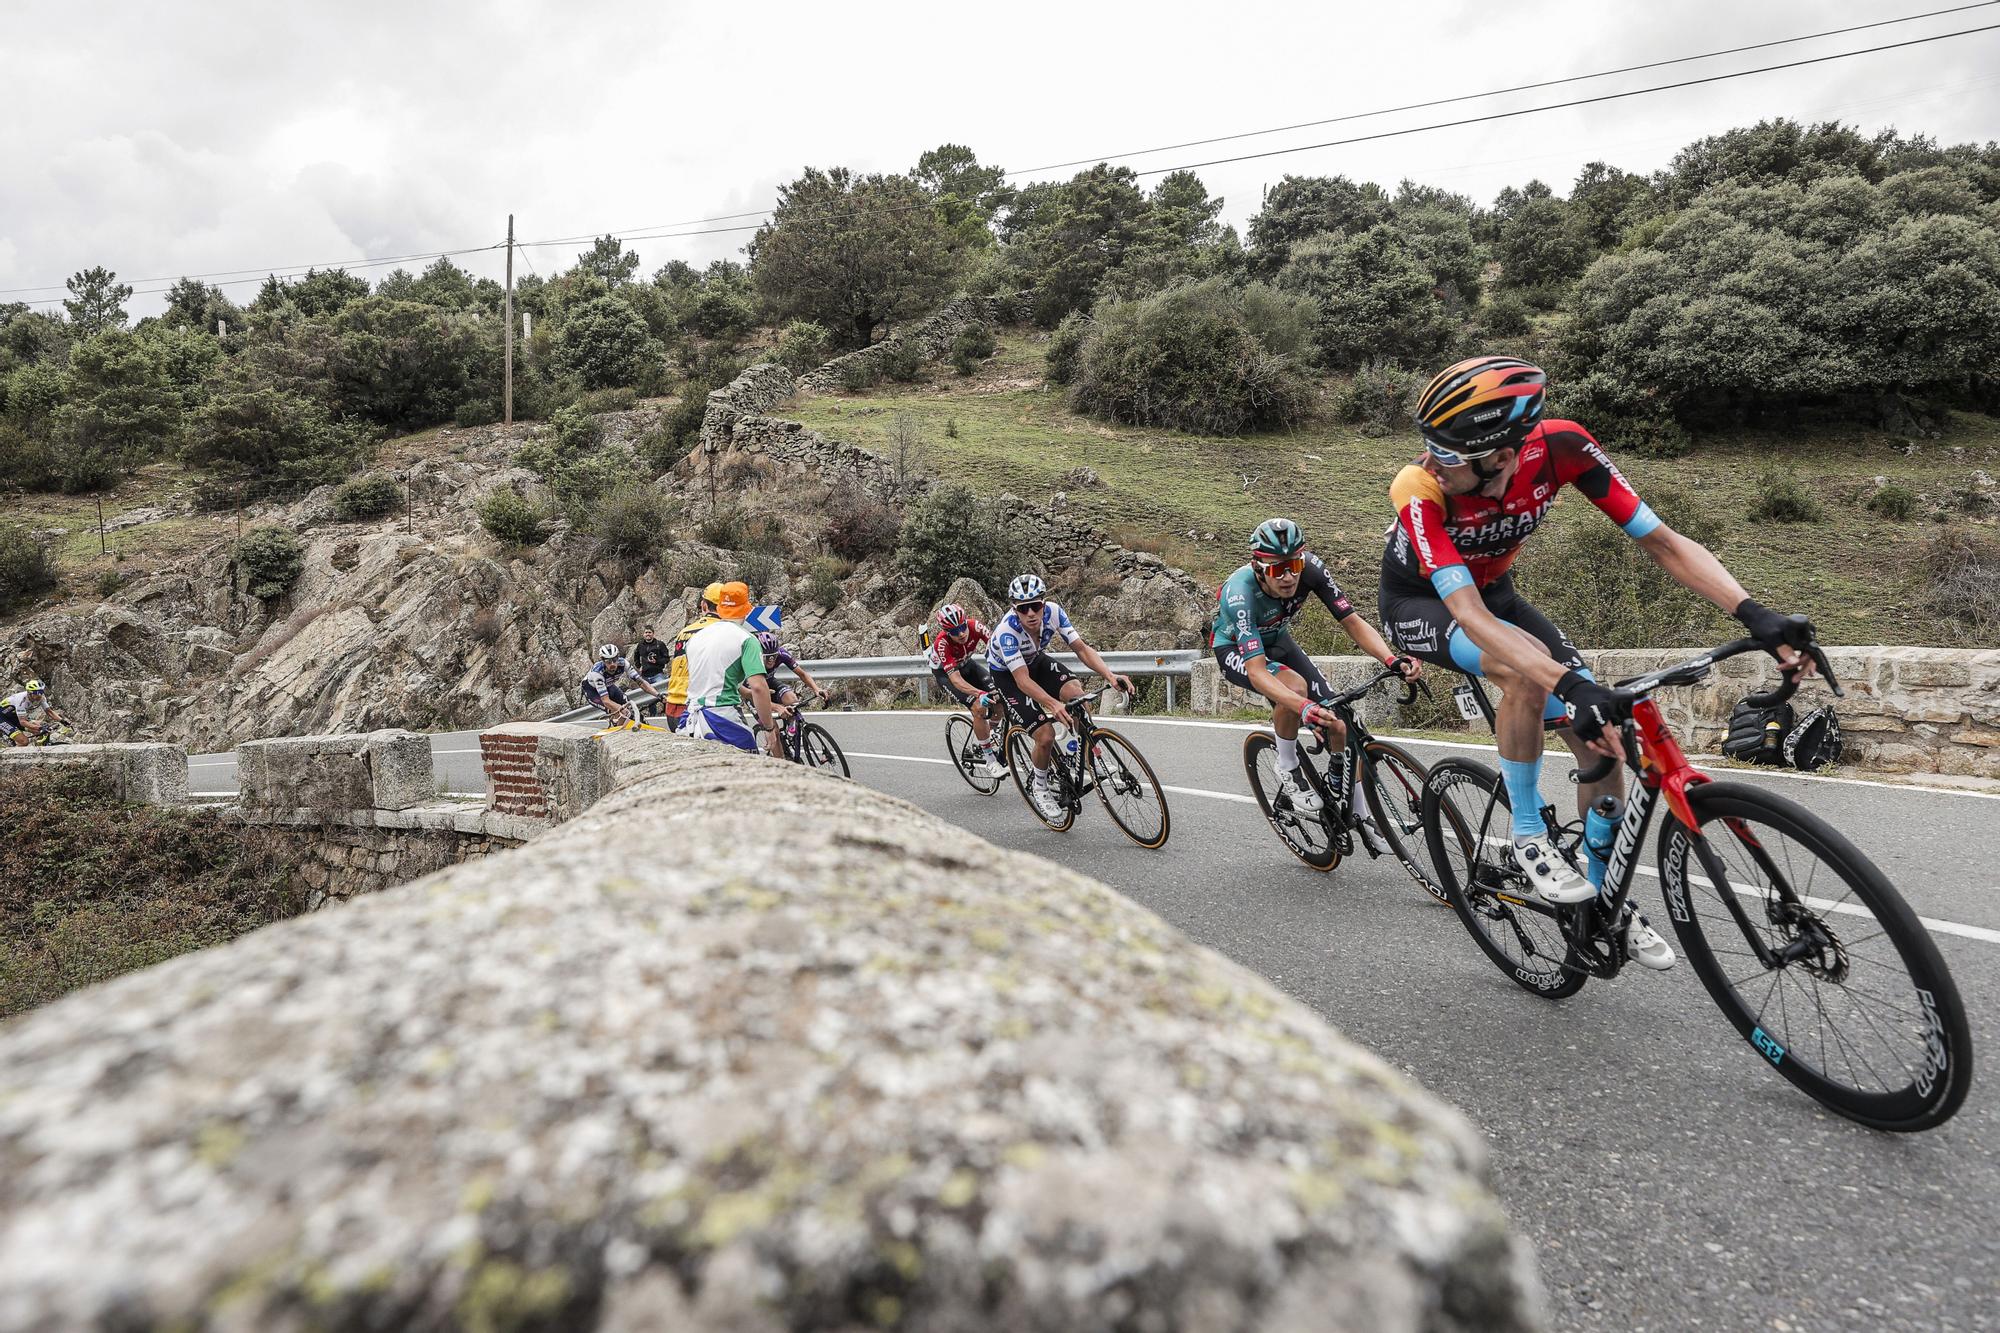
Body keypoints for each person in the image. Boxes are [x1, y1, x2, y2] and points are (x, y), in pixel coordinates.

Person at [1381, 355, 1813, 970]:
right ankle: (1528, 836)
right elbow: (1472, 617)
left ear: (1502, 455)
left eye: (1449, 456)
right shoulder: (1417, 487)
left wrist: (1754, 614)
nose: (1433, 463)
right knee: (1523, 671)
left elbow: (1664, 542)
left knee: (1605, 742)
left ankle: (1598, 895)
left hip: (1498, 595)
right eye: (1432, 450)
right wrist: (1564, 681)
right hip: (1424, 603)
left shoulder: (1564, 448)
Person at [1212, 519, 1418, 818]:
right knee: (1294, 690)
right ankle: (1287, 765)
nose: (1287, 578)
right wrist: (1304, 708)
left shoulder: (1312, 569)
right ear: (1258, 568)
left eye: (1293, 566)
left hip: (1279, 640)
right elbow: (1257, 672)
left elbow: (1352, 621)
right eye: (1275, 569)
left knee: (1341, 723)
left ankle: (1362, 817)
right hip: (1236, 651)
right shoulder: (1240, 594)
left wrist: (1391, 659)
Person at [987, 573, 1133, 820]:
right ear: (1015, 610)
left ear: (1043, 603)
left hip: (1035, 661)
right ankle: (1040, 786)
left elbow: (1082, 649)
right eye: (1024, 609)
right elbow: (1022, 680)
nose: (1031, 613)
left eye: (1036, 606)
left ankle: (1083, 756)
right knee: (1045, 735)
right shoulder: (1007, 632)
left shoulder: (1053, 612)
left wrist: (1109, 675)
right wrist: (1052, 704)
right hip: (1009, 675)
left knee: (1079, 698)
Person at [682, 582, 784, 758]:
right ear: (746, 610)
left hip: (689, 719)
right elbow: (759, 687)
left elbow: (714, 679)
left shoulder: (695, 638)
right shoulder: (746, 639)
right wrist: (768, 727)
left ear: (720, 608)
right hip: (723, 719)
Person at [924, 602, 1004, 778]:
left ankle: (987, 733)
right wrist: (979, 693)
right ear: (946, 632)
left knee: (1000, 699)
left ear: (966, 621)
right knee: (979, 707)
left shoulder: (976, 626)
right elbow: (956, 680)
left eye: (962, 627)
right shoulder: (942, 644)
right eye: (954, 631)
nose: (960, 633)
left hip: (968, 665)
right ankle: (989, 759)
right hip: (947, 674)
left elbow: (996, 650)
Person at [661, 582, 725, 731]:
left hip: (673, 704)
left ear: (703, 605)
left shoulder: (684, 631)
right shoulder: (723, 631)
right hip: (700, 705)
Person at [580, 644, 661, 726]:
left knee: (630, 709)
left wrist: (658, 695)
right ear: (603, 661)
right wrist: (621, 709)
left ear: (618, 657)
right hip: (593, 692)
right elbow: (606, 700)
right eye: (608, 661)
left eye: (615, 660)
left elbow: (641, 683)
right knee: (617, 712)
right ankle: (618, 732)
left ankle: (641, 726)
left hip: (608, 686)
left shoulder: (624, 663)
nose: (612, 664)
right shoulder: (597, 673)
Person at [755, 630, 824, 718]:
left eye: (774, 656)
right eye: (767, 657)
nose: (771, 660)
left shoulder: (782, 654)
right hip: (754, 691)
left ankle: (792, 728)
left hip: (770, 682)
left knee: (792, 700)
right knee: (772, 728)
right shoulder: (752, 660)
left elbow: (802, 674)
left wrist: (816, 689)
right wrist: (777, 707)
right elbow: (752, 693)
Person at [0, 679, 67, 746]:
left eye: (41, 692)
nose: (40, 695)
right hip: (2, 718)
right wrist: (40, 728)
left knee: (41, 731)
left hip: (14, 716)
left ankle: (39, 748)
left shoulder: (41, 697)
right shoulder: (21, 700)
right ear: (30, 693)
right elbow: (23, 722)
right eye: (38, 693)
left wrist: (63, 721)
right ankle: (13, 755)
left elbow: (49, 712)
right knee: (24, 741)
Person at [630, 625, 673, 714]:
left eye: (649, 632)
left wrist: (657, 661)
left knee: (664, 693)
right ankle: (653, 714)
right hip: (645, 675)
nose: (648, 634)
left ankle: (667, 712)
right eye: (646, 632)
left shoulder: (659, 644)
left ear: (653, 634)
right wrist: (638, 666)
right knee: (649, 696)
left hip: (657, 674)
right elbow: (636, 656)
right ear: (643, 634)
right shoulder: (640, 645)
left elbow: (666, 659)